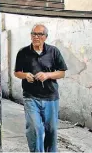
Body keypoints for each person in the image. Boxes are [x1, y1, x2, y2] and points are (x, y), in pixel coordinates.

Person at [14, 24, 68, 152]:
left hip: (50, 97)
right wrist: (25, 75)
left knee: (52, 130)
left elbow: (62, 72)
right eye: (34, 34)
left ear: (45, 37)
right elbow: (16, 72)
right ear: (31, 35)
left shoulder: (54, 51)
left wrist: (47, 75)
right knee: (35, 128)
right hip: (30, 96)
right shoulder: (23, 52)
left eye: (40, 34)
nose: (36, 37)